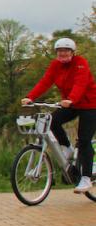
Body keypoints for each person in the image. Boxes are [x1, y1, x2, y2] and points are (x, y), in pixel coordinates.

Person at [21, 37, 96, 193]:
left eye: (66, 51)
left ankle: (86, 179)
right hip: (71, 103)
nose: (63, 53)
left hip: (90, 104)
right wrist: (30, 97)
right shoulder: (55, 65)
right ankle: (66, 147)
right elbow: (45, 81)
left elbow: (80, 83)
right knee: (53, 121)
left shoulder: (80, 62)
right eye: (60, 51)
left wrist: (71, 99)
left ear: (72, 52)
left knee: (84, 141)